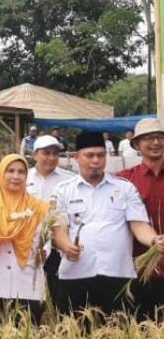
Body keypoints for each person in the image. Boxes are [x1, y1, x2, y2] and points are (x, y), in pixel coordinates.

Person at [52, 131, 164, 325]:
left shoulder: (124, 188)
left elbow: (138, 225)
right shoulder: (63, 190)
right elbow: (58, 228)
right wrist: (65, 245)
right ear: (76, 157)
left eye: (101, 155)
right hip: (76, 276)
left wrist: (154, 240)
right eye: (90, 155)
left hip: (118, 277)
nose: (96, 160)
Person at [0, 154, 50, 331]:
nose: (16, 176)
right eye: (10, 171)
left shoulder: (38, 207)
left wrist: (44, 252)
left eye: (21, 172)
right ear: (1, 173)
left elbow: (46, 239)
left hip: (28, 285)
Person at [117, 119, 164, 321]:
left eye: (160, 137)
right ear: (136, 145)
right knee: (142, 328)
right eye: (148, 138)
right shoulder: (124, 180)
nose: (155, 142)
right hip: (139, 267)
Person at [26, 135, 74, 314]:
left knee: (61, 293)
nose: (52, 158)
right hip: (30, 246)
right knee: (31, 295)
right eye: (46, 153)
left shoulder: (69, 180)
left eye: (55, 153)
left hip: (58, 246)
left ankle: (64, 328)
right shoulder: (23, 176)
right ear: (34, 155)